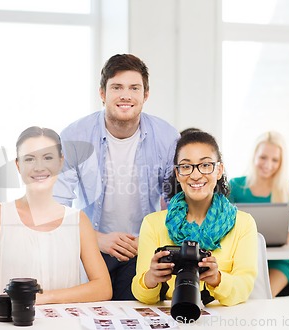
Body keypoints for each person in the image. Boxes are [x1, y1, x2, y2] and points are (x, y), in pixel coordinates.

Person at [54, 54, 179, 300]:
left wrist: (149, 238)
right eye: (117, 87)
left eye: (134, 88)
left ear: (146, 95)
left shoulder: (166, 137)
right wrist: (95, 239)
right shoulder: (73, 135)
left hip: (142, 249)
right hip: (89, 248)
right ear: (102, 93)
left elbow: (177, 202)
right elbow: (57, 204)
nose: (126, 95)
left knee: (134, 316)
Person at [0, 126, 112, 315]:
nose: (39, 167)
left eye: (48, 157)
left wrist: (43, 298)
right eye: (29, 158)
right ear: (18, 165)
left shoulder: (78, 221)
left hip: (63, 325)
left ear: (61, 163)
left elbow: (103, 287)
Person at [132, 130, 258, 306]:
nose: (196, 175)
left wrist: (217, 278)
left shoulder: (243, 223)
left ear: (219, 170)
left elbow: (244, 288)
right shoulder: (153, 224)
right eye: (185, 166)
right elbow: (142, 296)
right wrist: (150, 279)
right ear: (177, 174)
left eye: (205, 165)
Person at [228, 130, 289, 297]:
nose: (268, 164)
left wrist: (286, 237)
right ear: (254, 156)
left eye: (275, 160)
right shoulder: (235, 185)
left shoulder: (288, 187)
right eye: (263, 157)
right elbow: (222, 225)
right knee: (238, 300)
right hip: (240, 262)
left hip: (277, 265)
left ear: (281, 162)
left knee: (261, 299)